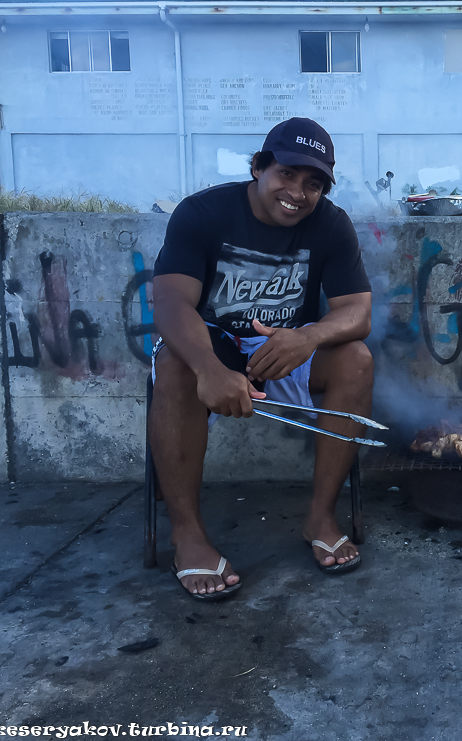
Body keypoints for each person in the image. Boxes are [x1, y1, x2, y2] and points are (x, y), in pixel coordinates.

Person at [149, 117, 373, 601]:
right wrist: (210, 370)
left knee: (356, 359)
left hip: (281, 348)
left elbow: (358, 311)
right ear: (258, 167)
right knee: (173, 365)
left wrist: (309, 336)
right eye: (287, 174)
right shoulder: (203, 212)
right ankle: (186, 535)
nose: (298, 193)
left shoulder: (331, 224)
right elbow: (169, 303)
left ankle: (321, 516)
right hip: (211, 342)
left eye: (313, 183)